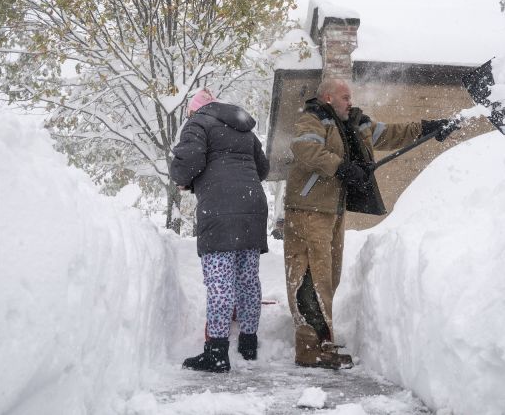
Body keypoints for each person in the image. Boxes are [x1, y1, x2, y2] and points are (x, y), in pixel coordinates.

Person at [283, 78, 457, 369]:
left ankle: (322, 340)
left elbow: (389, 134)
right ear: (327, 97)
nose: (350, 101)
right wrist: (341, 167)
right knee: (310, 275)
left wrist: (428, 127)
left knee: (330, 276)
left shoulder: (354, 123)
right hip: (308, 209)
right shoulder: (313, 119)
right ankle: (310, 348)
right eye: (344, 96)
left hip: (332, 210)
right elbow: (306, 150)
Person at [171, 88, 270, 373]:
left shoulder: (198, 122)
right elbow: (262, 169)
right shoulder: (244, 128)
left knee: (220, 283)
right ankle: (249, 344)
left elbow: (187, 163)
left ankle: (216, 353)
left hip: (219, 208)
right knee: (248, 279)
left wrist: (182, 179)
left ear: (194, 110)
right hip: (252, 206)